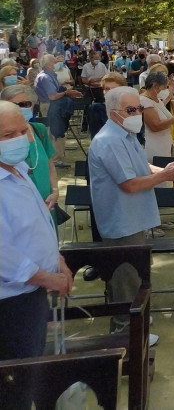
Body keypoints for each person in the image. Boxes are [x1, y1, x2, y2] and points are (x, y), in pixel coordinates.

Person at [88, 86, 174, 339]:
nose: (137, 113)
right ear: (114, 113)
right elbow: (129, 184)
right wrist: (166, 176)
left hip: (134, 220)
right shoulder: (110, 141)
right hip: (121, 224)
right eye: (131, 109)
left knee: (136, 278)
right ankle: (126, 337)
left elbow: (140, 167)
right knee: (125, 283)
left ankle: (136, 328)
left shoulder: (126, 134)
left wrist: (163, 171)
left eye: (138, 108)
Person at [0, 101, 74, 410]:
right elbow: (4, 254)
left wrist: (59, 261)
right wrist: (47, 277)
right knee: (14, 383)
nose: (20, 139)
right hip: (11, 302)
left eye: (23, 131)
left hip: (32, 293)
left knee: (29, 373)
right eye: (7, 134)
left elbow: (38, 222)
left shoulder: (18, 170)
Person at [1, 85, 60, 225]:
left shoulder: (39, 130)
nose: (20, 108)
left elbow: (50, 165)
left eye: (25, 104)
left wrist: (55, 191)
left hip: (47, 205)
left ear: (33, 105)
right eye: (13, 104)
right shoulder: (4, 142)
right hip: (16, 212)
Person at [140, 70, 174, 189]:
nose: (166, 89)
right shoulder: (144, 101)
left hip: (164, 146)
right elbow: (155, 125)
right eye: (165, 87)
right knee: (157, 183)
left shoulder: (156, 100)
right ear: (155, 86)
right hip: (153, 147)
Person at [34, 53, 80, 168]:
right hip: (50, 106)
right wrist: (66, 92)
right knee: (54, 133)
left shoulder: (52, 75)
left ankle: (59, 157)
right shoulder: (44, 77)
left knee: (59, 132)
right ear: (48, 64)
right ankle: (55, 160)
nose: (57, 64)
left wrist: (67, 93)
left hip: (57, 106)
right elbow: (52, 96)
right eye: (55, 62)